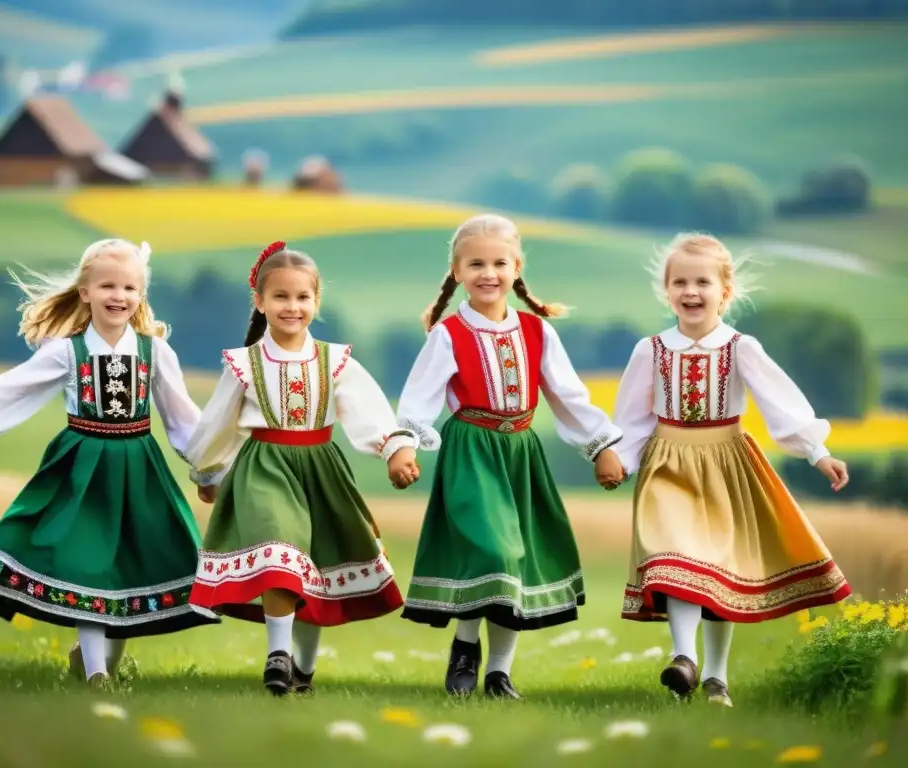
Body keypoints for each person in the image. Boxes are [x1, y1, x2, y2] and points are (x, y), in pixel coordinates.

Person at [0, 238, 217, 689]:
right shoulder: (65, 351)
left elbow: (183, 418)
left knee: (130, 568)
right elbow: (11, 391)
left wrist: (209, 472)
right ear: (85, 292)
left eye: (130, 287)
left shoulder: (156, 353)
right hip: (81, 471)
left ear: (141, 295)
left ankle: (101, 663)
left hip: (140, 473)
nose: (119, 296)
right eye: (108, 285)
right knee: (87, 565)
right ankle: (96, 675)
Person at [612, 232, 851, 707]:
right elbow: (632, 417)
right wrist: (618, 459)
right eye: (679, 281)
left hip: (728, 464)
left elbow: (780, 403)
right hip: (668, 464)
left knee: (718, 569)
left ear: (726, 291)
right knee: (672, 554)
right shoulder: (651, 350)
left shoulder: (741, 348)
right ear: (666, 290)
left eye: (702, 281)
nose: (690, 291)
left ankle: (715, 678)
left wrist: (816, 451)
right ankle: (683, 658)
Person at [395, 213, 626, 700]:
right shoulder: (449, 334)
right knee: (491, 550)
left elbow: (568, 395)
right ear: (457, 271)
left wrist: (601, 448)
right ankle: (464, 648)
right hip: (472, 453)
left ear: (517, 267)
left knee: (516, 563)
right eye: (475, 263)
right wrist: (404, 445)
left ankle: (499, 673)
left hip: (521, 455)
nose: (488, 273)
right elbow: (419, 398)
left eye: (499, 262)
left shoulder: (538, 332)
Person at [183, 241, 421, 696]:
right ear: (260, 301)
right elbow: (218, 424)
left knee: (318, 571)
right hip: (264, 466)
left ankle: (303, 670)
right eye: (280, 297)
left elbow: (369, 412)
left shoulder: (335, 361)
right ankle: (277, 654)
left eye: (301, 297)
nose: (292, 307)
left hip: (321, 468)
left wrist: (395, 449)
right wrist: (209, 473)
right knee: (280, 547)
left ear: (316, 302)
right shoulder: (245, 364)